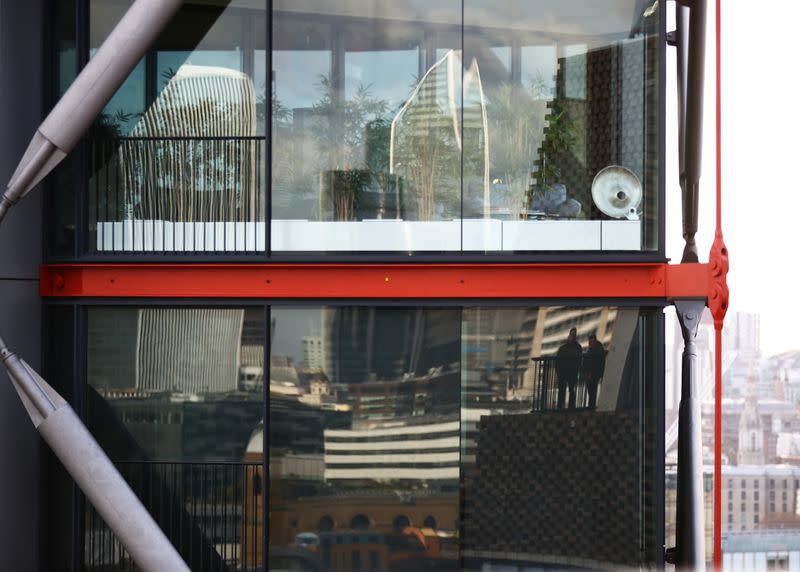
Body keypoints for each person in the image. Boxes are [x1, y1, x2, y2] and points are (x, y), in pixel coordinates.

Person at [555, 327, 582, 409]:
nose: (572, 336)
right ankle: (561, 405)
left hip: (571, 372)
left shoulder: (577, 347)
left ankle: (570, 406)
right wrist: (558, 371)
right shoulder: (564, 347)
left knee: (571, 389)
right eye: (571, 335)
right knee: (562, 390)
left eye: (574, 335)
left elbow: (579, 360)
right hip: (563, 372)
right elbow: (558, 360)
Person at [582, 334, 606, 410]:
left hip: (594, 374)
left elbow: (596, 363)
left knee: (592, 391)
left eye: (591, 342)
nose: (590, 343)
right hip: (591, 374)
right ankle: (591, 407)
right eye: (590, 342)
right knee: (592, 391)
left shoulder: (596, 351)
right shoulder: (593, 350)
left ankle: (591, 407)